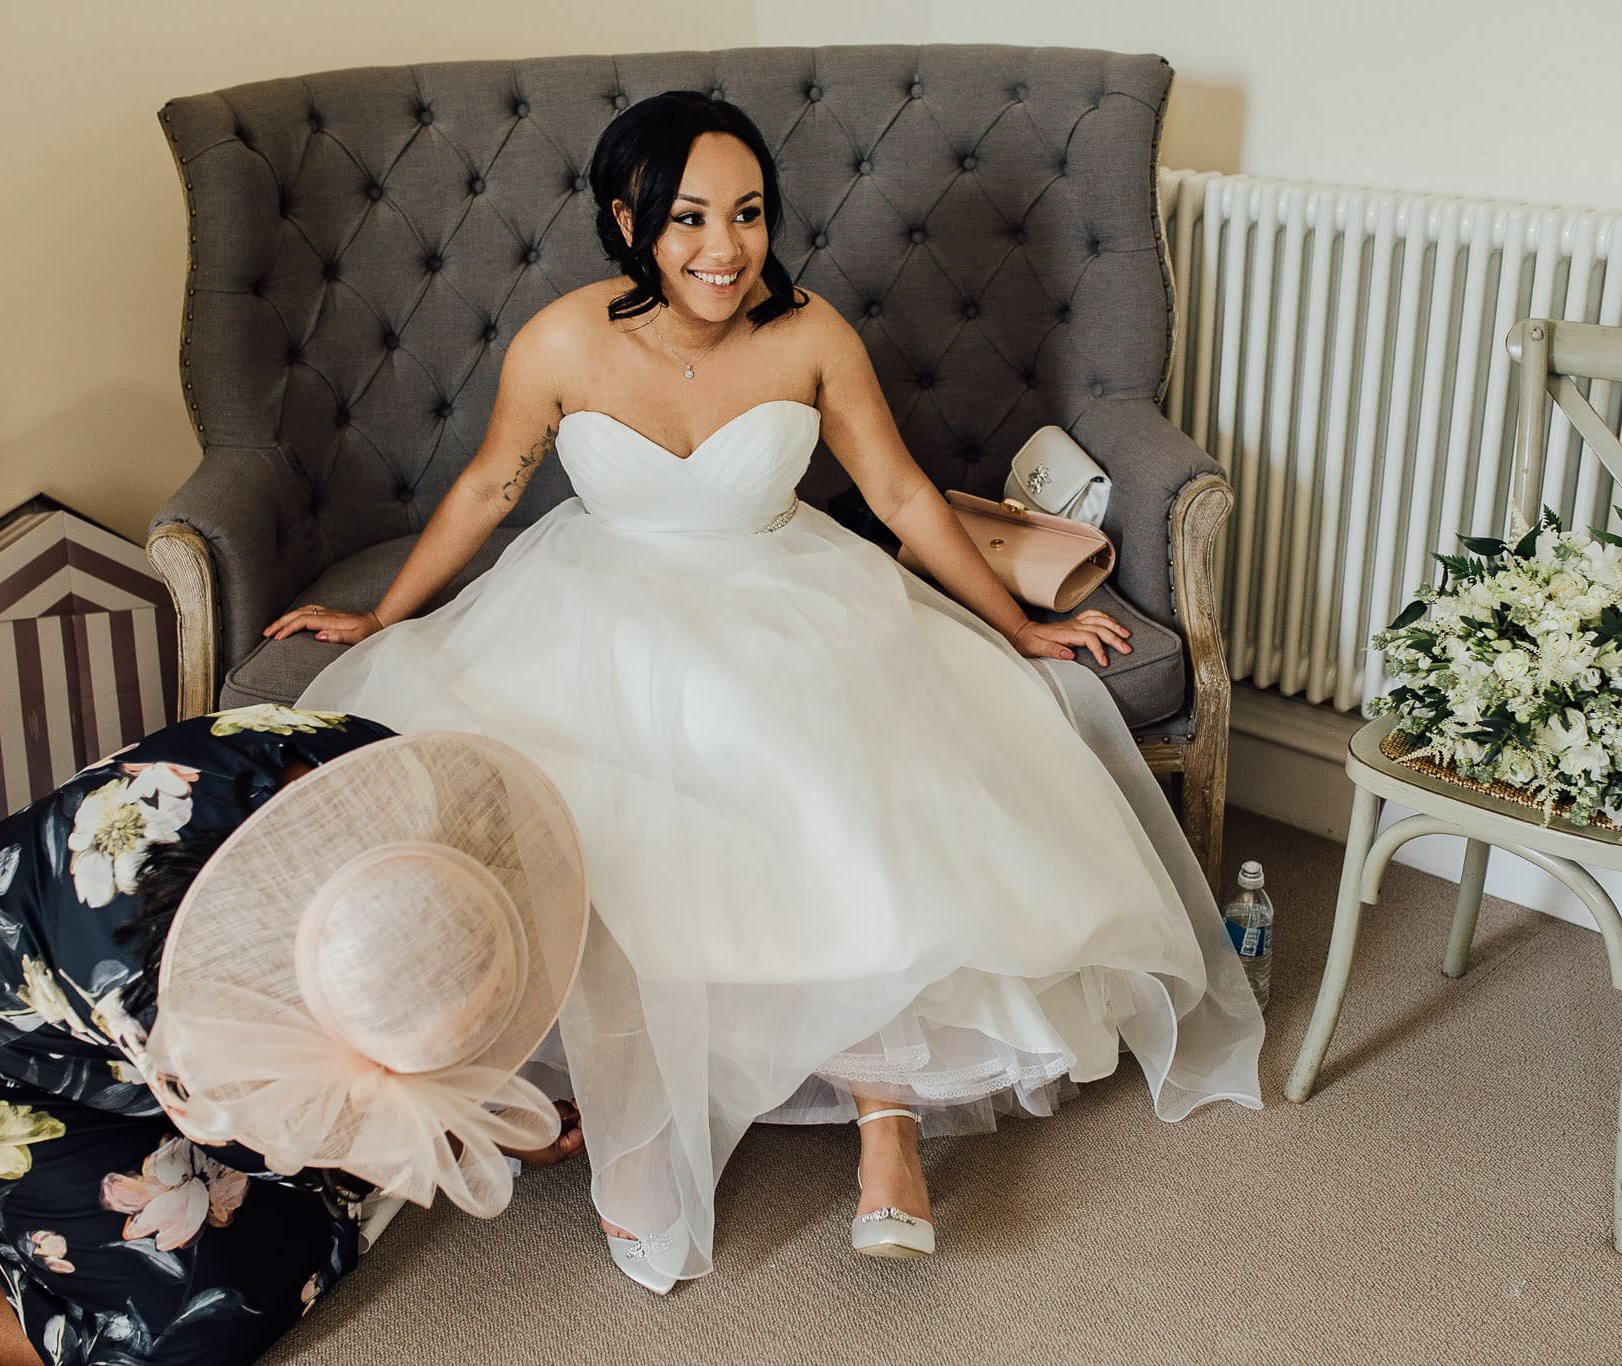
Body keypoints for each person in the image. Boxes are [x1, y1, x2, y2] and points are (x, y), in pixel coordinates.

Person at [270, 90, 1266, 1293]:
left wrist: (1018, 621)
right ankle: (635, 1120)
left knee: (835, 783)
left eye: (746, 214)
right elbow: (489, 488)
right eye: (688, 218)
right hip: (595, 607)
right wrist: (384, 619)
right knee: (580, 809)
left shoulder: (807, 336)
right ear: (625, 218)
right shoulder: (562, 341)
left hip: (791, 594)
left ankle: (886, 1123)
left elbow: (898, 497)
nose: (724, 247)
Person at [0, 710, 589, 1365]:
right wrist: (477, 1131)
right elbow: (296, 1136)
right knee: (193, 1328)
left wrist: (471, 1094)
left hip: (82, 999)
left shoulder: (367, 773)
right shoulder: (165, 985)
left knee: (288, 1202)